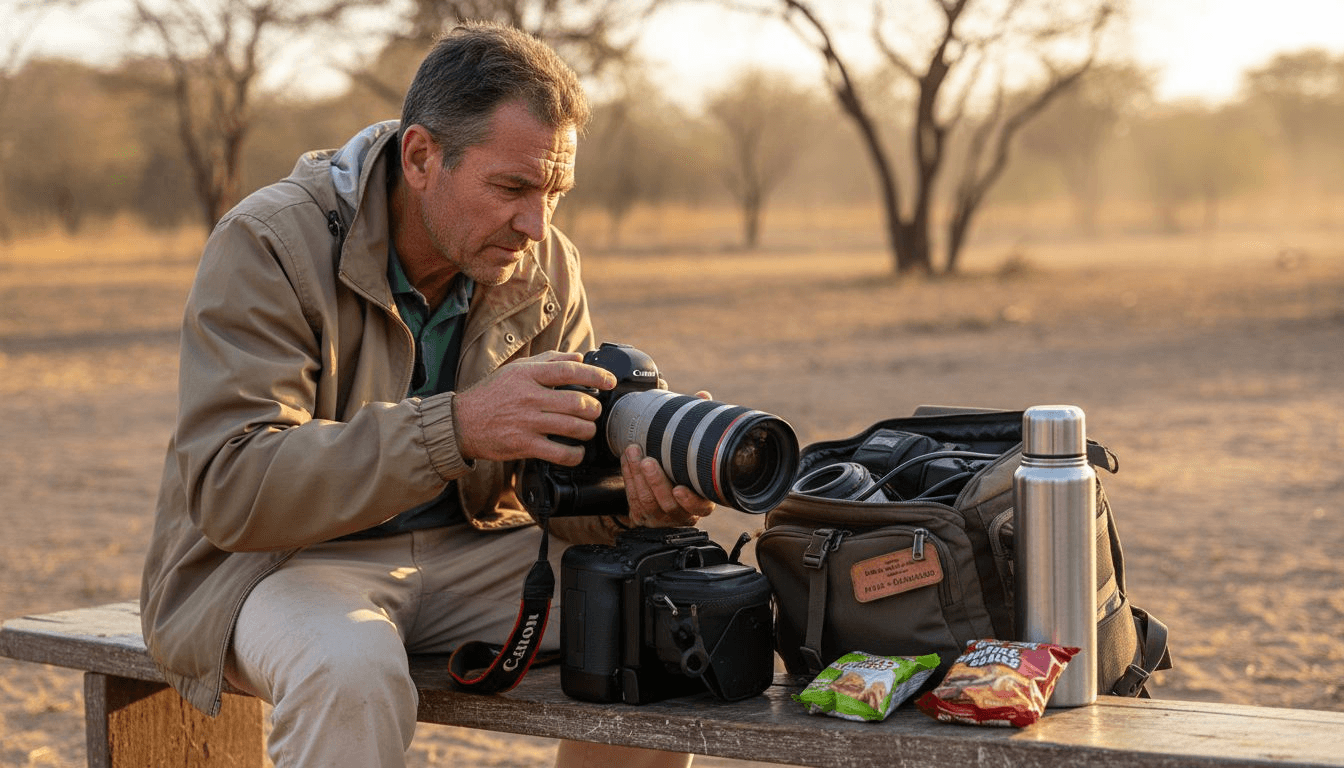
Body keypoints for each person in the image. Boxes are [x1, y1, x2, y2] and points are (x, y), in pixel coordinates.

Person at [140, 21, 713, 768]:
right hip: (279, 564)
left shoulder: (544, 263)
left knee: (670, 615)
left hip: (475, 551)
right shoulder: (269, 242)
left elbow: (551, 492)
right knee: (346, 668)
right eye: (511, 187)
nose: (536, 225)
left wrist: (628, 506)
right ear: (420, 157)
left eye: (555, 193)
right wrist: (459, 427)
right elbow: (231, 486)